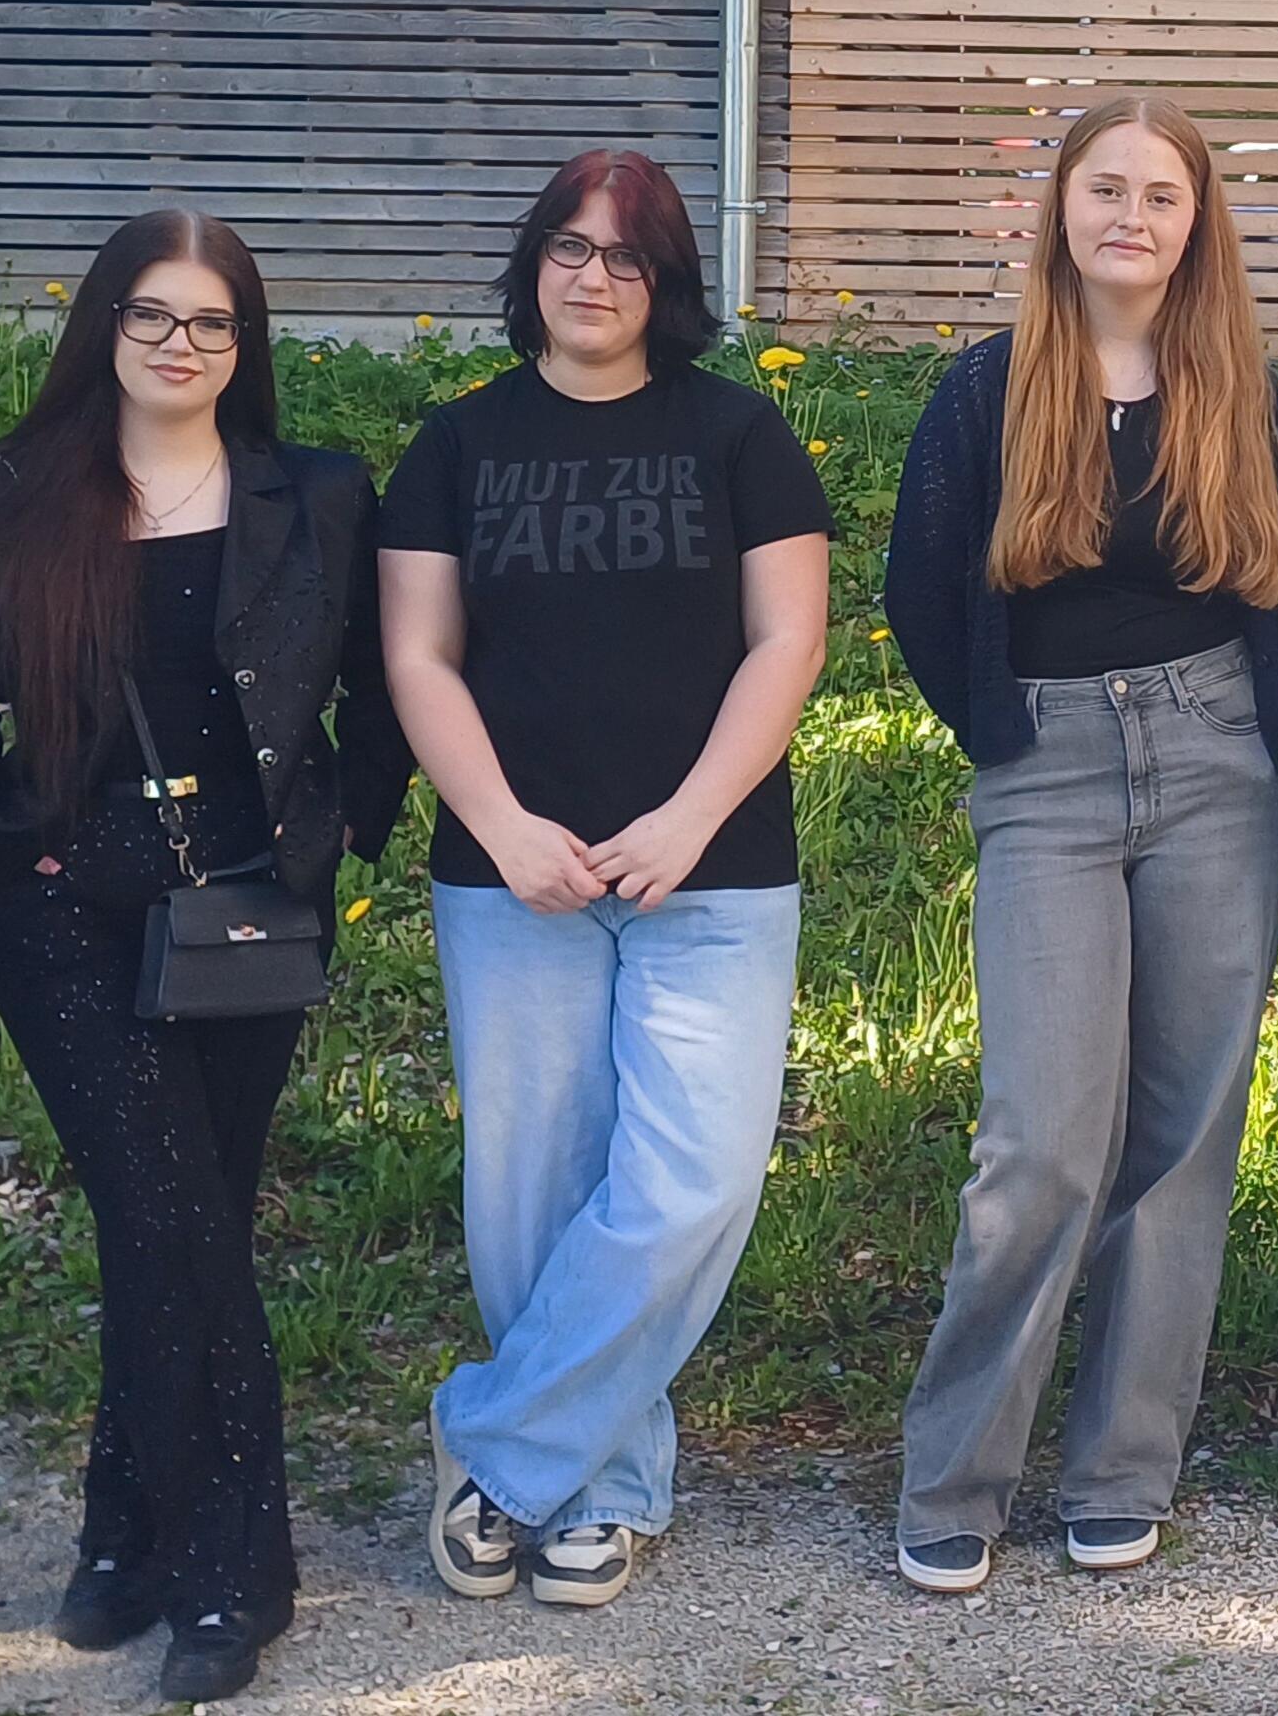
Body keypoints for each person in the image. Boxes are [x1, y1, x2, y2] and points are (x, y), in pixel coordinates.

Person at [0, 210, 409, 1700]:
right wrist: (1, 857)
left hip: (246, 910)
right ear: (106, 324)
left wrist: (345, 833)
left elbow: (381, 683)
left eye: (211, 321)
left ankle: (124, 1528)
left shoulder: (313, 494)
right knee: (166, 1216)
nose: (180, 345)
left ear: (242, 342)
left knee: (183, 1221)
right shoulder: (7, 491)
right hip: (70, 915)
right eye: (152, 315)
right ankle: (234, 1569)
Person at [378, 149, 833, 1609]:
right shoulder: (458, 443)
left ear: (666, 280)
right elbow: (417, 656)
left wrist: (692, 816)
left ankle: (496, 1445)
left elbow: (788, 642)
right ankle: (604, 1488)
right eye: (569, 249)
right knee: (532, 1192)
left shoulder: (739, 431)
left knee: (693, 1182)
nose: (593, 277)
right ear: (534, 267)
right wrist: (503, 825)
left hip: (715, 870)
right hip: (512, 875)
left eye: (626, 255)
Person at [883, 95, 1278, 1594]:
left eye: (1162, 195)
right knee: (1041, 1142)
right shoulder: (988, 390)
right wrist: (1010, 742)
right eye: (1107, 188)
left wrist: (1256, 749)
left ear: (1198, 225)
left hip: (1214, 766)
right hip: (1046, 772)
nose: (1132, 216)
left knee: (1182, 1139)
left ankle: (1122, 1467)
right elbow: (920, 590)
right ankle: (955, 1474)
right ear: (1060, 209)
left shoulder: (1244, 393)